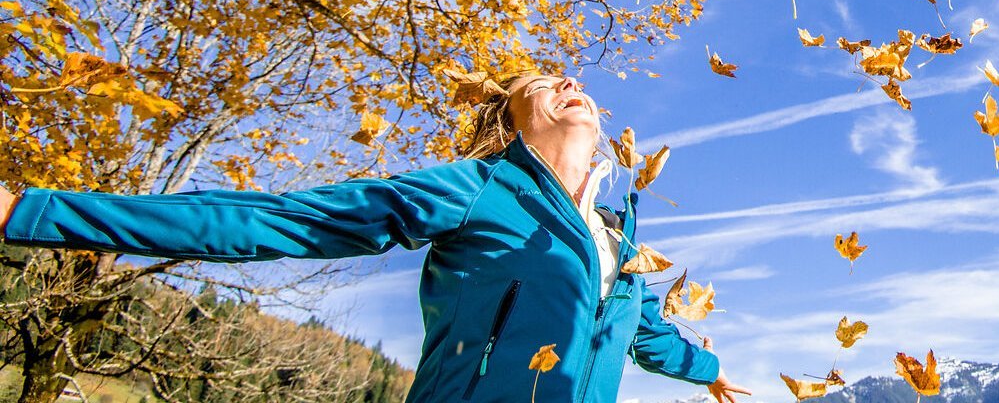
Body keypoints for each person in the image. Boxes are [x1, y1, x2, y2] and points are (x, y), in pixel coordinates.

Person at [0, 74, 752, 403]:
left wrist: (709, 368)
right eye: (542, 85)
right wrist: (30, 212)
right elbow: (285, 221)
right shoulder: (478, 189)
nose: (569, 84)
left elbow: (646, 334)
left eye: (572, 80)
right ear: (514, 122)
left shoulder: (615, 237)